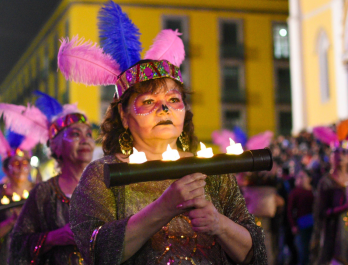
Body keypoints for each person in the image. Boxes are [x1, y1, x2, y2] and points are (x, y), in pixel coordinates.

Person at [62, 1, 267, 264]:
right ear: (124, 117)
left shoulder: (214, 171)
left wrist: (219, 223)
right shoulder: (103, 176)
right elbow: (97, 252)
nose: (164, 109)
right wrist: (165, 206)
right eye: (148, 102)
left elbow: (256, 254)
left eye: (173, 100)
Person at [9, 92, 95, 264]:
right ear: (55, 146)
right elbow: (17, 245)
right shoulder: (43, 192)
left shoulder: (104, 187)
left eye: (89, 134)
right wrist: (55, 237)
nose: (85, 140)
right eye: (75, 134)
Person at [0, 121, 36, 265]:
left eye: (25, 163)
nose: (22, 168)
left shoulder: (39, 193)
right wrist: (11, 222)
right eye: (16, 163)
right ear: (6, 169)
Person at [310, 149, 348, 264]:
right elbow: (320, 212)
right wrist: (343, 208)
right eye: (337, 152)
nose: (340, 156)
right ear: (331, 158)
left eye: (344, 152)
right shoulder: (326, 182)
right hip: (334, 236)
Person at [287, 169, 314, 265]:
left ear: (309, 179)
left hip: (314, 223)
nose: (300, 179)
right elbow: (290, 210)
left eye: (303, 177)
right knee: (303, 251)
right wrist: (293, 225)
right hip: (302, 224)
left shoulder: (313, 191)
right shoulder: (295, 192)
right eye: (299, 177)